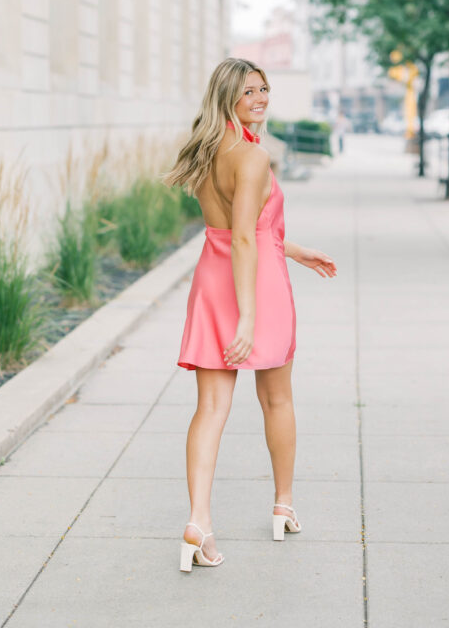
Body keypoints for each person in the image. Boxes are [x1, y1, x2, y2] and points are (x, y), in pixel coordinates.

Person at [164, 58, 337, 572]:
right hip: (251, 286)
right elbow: (244, 237)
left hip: (212, 280)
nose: (260, 99)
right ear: (228, 99)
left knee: (211, 408)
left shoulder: (206, 151)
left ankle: (199, 522)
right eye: (249, 93)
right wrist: (247, 318)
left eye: (265, 89)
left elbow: (243, 230)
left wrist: (295, 249)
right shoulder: (253, 157)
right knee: (276, 398)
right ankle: (283, 504)